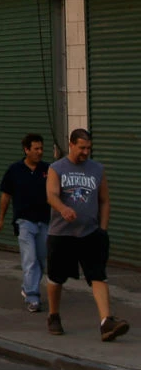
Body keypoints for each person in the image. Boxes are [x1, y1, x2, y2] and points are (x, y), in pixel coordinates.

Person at [45, 128, 127, 342]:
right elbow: (51, 195)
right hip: (62, 234)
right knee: (56, 277)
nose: (85, 152)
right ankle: (53, 315)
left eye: (88, 148)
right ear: (71, 144)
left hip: (90, 233)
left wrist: (103, 228)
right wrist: (63, 209)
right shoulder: (57, 168)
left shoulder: (97, 169)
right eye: (82, 148)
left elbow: (105, 200)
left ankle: (106, 322)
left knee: (98, 275)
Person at [0, 133, 51, 313]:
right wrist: (1, 220)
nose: (40, 152)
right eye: (36, 149)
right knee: (30, 259)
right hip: (24, 222)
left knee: (41, 260)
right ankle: (33, 297)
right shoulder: (14, 170)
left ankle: (27, 287)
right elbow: (6, 196)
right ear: (26, 150)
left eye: (41, 148)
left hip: (44, 222)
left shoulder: (48, 170)